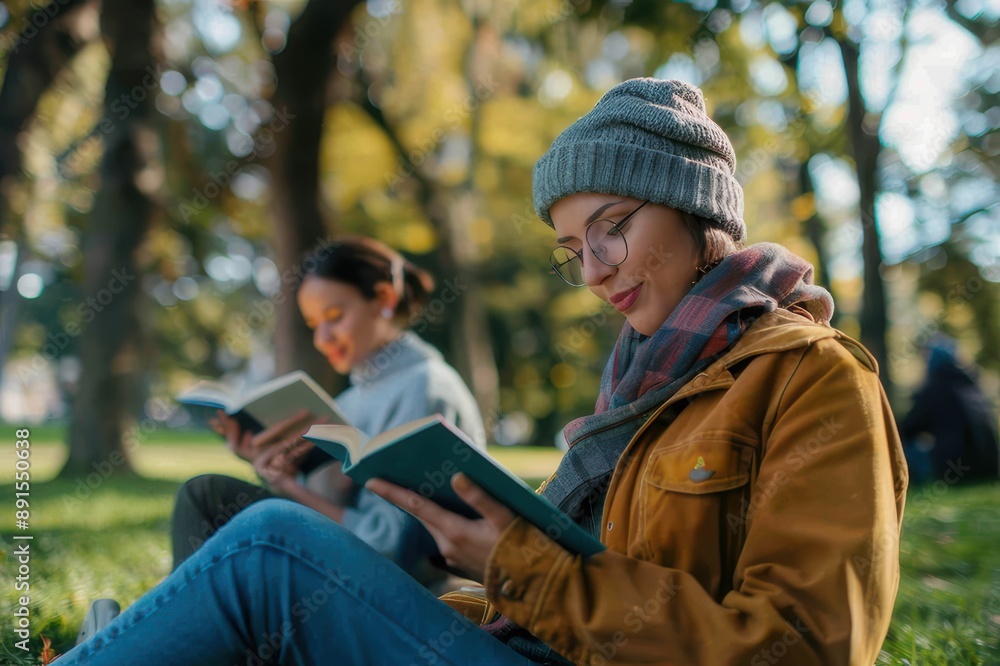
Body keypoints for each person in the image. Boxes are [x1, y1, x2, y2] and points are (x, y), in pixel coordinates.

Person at [61, 78, 907, 665]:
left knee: (269, 544)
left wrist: (515, 564)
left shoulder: (814, 379)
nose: (594, 271)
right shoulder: (651, 381)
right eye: (573, 250)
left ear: (696, 210)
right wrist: (476, 582)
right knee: (257, 553)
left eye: (612, 227)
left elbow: (805, 650)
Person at [171, 236, 487, 581]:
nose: (322, 339)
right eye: (313, 325)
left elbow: (392, 544)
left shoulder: (424, 387)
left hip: (395, 586)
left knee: (207, 496)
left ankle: (169, 626)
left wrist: (292, 491)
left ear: (383, 299)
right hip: (342, 566)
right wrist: (276, 473)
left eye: (334, 317)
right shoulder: (351, 399)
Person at [898, 335, 998, 484]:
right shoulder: (972, 384)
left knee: (905, 444)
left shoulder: (935, 388)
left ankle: (902, 484)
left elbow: (910, 427)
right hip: (989, 466)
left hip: (954, 470)